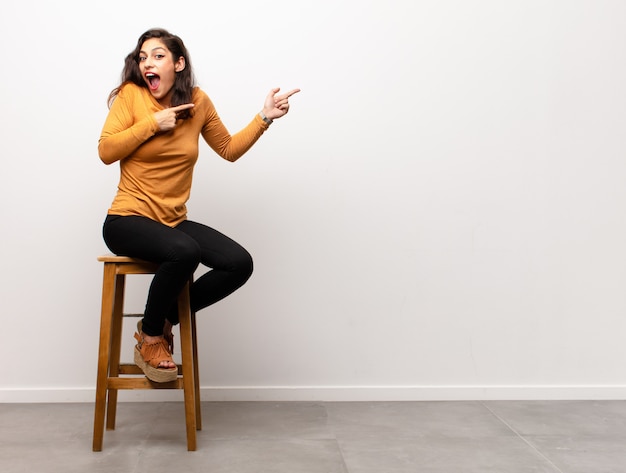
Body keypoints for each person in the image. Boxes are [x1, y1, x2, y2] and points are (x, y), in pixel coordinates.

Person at [99, 28, 300, 383]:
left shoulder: (198, 102)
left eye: (158, 56)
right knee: (185, 251)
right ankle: (149, 339)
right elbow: (106, 151)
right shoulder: (131, 96)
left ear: (178, 64)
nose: (148, 63)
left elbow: (229, 150)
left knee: (238, 263)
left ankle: (162, 320)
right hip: (126, 219)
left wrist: (264, 117)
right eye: (143, 57)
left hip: (172, 222)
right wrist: (151, 124)